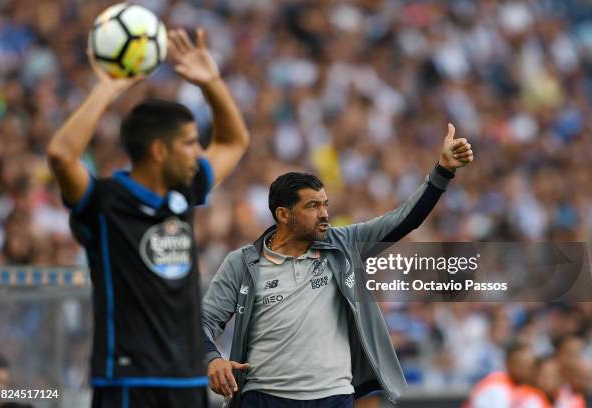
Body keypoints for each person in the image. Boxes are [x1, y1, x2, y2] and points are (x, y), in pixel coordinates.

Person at [46, 28, 249, 408]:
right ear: (159, 150)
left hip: (187, 377)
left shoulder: (182, 193)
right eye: (188, 143)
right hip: (129, 378)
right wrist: (107, 87)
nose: (196, 153)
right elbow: (61, 154)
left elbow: (233, 142)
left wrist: (212, 83)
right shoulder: (104, 201)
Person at [202, 124, 474, 407]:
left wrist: (442, 170)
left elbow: (404, 220)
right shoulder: (242, 263)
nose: (325, 214)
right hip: (265, 398)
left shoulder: (343, 243)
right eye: (312, 207)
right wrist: (213, 359)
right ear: (283, 214)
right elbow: (202, 323)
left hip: (333, 397)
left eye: (325, 204)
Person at [466, 342, 535, 408]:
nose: (525, 369)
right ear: (507, 363)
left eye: (529, 364)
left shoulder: (519, 387)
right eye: (520, 364)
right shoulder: (497, 387)